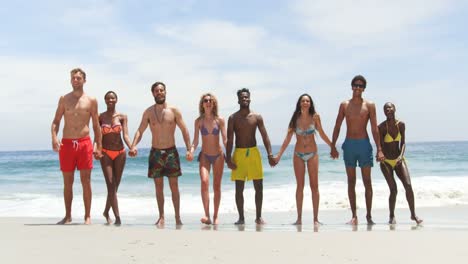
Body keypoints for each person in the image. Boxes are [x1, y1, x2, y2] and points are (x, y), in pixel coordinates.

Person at [128, 82, 193, 226]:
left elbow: (184, 130)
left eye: (162, 90)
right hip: (155, 152)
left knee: (174, 186)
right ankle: (161, 216)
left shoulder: (174, 111)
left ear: (165, 92)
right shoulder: (148, 112)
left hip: (171, 152)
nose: (159, 93)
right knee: (158, 187)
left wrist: (189, 149)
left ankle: (177, 217)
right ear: (153, 93)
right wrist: (133, 146)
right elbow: (140, 130)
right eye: (156, 91)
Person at [330, 75, 384, 225]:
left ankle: (369, 215)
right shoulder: (344, 105)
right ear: (352, 86)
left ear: (364, 88)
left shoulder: (370, 105)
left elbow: (374, 128)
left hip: (364, 144)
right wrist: (333, 146)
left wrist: (379, 149)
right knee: (351, 181)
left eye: (361, 86)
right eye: (356, 85)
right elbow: (337, 125)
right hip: (349, 145)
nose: (358, 88)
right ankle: (354, 215)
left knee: (367, 181)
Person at [51, 68, 102, 225]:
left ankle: (87, 216)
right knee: (68, 182)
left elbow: (96, 124)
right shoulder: (64, 99)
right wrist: (54, 138)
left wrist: (98, 145)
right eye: (73, 78)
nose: (75, 80)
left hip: (84, 143)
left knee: (86, 181)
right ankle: (68, 216)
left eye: (79, 78)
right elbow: (56, 121)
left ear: (84, 81)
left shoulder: (91, 100)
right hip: (66, 144)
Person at [274, 94, 333, 226]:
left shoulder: (316, 117)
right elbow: (287, 138)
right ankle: (299, 219)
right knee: (300, 186)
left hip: (313, 154)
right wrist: (278, 155)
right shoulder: (295, 118)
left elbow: (322, 133)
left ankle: (315, 219)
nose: (305, 102)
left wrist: (332, 146)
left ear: (310, 103)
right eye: (303, 101)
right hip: (298, 154)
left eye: (308, 101)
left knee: (314, 186)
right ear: (299, 103)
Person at [226, 88, 276, 225]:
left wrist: (270, 154)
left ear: (250, 98)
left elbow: (264, 136)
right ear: (238, 100)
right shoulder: (233, 118)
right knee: (239, 188)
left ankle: (258, 217)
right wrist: (228, 158)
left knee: (259, 186)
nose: (245, 99)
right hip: (239, 153)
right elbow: (229, 140)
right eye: (242, 97)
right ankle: (241, 218)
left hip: (253, 153)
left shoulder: (257, 117)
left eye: (247, 97)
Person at [378, 102, 423, 224]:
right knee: (393, 190)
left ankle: (413, 215)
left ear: (394, 109)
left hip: (399, 159)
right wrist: (379, 154)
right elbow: (380, 146)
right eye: (386, 109)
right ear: (384, 112)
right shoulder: (381, 127)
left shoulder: (401, 125)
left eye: (390, 107)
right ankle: (391, 216)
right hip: (386, 162)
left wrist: (400, 157)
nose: (388, 110)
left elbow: (403, 143)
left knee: (408, 185)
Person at [190, 93, 227, 225]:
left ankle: (216, 216)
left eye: (211, 100)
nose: (208, 102)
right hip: (205, 155)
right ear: (202, 104)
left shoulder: (220, 120)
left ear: (214, 103)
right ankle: (207, 215)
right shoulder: (198, 121)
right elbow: (195, 141)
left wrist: (230, 154)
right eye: (205, 100)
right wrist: (191, 151)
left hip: (218, 156)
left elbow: (225, 139)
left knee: (217, 186)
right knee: (204, 182)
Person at [99, 91, 132, 225]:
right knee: (111, 185)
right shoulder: (100, 117)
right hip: (105, 153)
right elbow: (98, 136)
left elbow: (126, 135)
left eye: (112, 98)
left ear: (116, 100)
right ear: (105, 101)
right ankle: (118, 217)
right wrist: (96, 149)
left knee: (115, 186)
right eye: (107, 98)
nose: (110, 100)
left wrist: (132, 147)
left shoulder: (122, 117)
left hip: (120, 153)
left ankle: (106, 211)